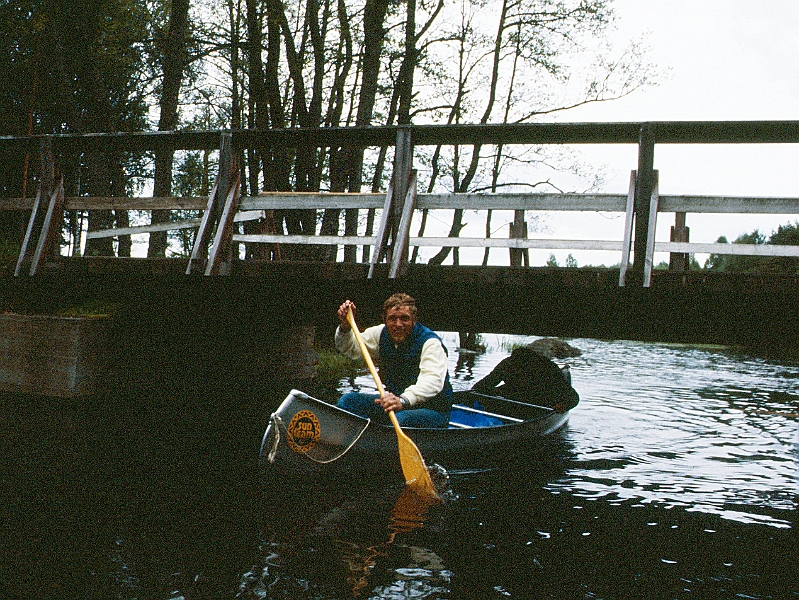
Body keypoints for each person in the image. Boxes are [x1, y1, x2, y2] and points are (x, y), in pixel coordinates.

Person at [335, 293, 453, 428]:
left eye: (404, 318)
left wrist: (403, 400)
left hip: (433, 411)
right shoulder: (380, 334)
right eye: (392, 319)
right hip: (395, 405)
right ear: (385, 319)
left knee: (400, 419)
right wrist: (345, 326)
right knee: (348, 401)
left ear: (414, 320)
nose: (398, 324)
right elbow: (350, 348)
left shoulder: (430, 342)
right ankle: (344, 438)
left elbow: (432, 382)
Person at [471, 346, 579, 412]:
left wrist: (563, 405)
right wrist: (472, 394)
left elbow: (573, 397)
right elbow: (487, 383)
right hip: (515, 395)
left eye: (519, 367)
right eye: (515, 365)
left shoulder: (546, 368)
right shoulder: (507, 364)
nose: (516, 368)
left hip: (540, 399)